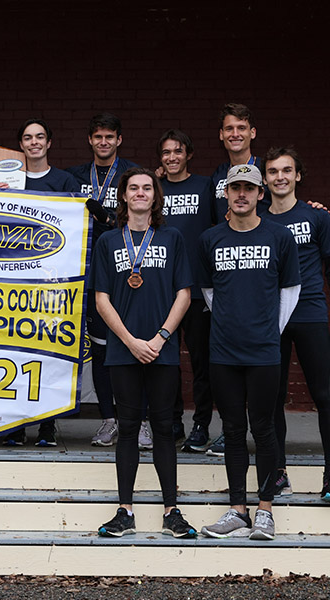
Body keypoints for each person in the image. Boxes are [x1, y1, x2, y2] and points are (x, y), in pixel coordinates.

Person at [197, 164, 300, 541]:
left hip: (264, 352)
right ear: (227, 193)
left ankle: (265, 510)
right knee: (233, 429)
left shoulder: (279, 237)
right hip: (223, 351)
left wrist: (268, 331)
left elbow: (290, 290)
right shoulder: (210, 239)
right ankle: (238, 509)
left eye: (249, 188)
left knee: (265, 427)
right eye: (235, 188)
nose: (242, 194)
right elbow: (209, 293)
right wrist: (232, 323)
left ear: (261, 194)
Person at [93, 167, 196, 539]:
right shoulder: (108, 241)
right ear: (123, 196)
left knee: (165, 429)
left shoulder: (172, 238)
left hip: (162, 350)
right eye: (133, 188)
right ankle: (125, 511)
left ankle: (172, 510)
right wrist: (131, 341)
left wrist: (161, 337)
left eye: (146, 188)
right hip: (124, 351)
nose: (139, 193)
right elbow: (101, 299)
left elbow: (184, 292)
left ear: (155, 196)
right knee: (128, 430)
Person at [263, 147, 330, 501]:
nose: (280, 176)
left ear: (298, 176)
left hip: (312, 314)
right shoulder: (257, 219)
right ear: (265, 179)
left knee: (323, 394)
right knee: (273, 398)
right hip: (273, 320)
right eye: (272, 171)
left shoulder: (317, 217)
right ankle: (279, 472)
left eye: (287, 170)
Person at [0, 118, 78, 447]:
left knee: (48, 353)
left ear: (49, 143)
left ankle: (46, 425)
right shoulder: (7, 178)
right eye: (27, 138)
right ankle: (14, 425)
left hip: (52, 283)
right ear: (21, 144)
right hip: (14, 282)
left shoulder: (64, 180)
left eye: (40, 136)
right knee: (13, 351)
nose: (34, 142)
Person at [66, 113, 141, 448]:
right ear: (90, 140)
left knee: (135, 346)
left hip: (128, 273)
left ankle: (139, 421)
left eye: (110, 137)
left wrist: (111, 220)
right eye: (98, 137)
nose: (104, 142)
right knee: (99, 350)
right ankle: (110, 420)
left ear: (119, 140)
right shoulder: (73, 178)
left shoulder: (133, 175)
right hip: (86, 274)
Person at [155, 130, 218, 453]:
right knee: (165, 361)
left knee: (200, 362)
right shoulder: (153, 188)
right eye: (166, 153)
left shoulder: (205, 186)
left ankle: (201, 425)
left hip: (196, 291)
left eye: (177, 151)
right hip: (161, 291)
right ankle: (172, 420)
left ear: (188, 154)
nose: (172, 157)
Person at [210, 103, 271, 222]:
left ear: (252, 133)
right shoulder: (218, 174)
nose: (235, 134)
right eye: (229, 129)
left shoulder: (267, 169)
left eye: (241, 128)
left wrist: (312, 208)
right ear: (221, 134)